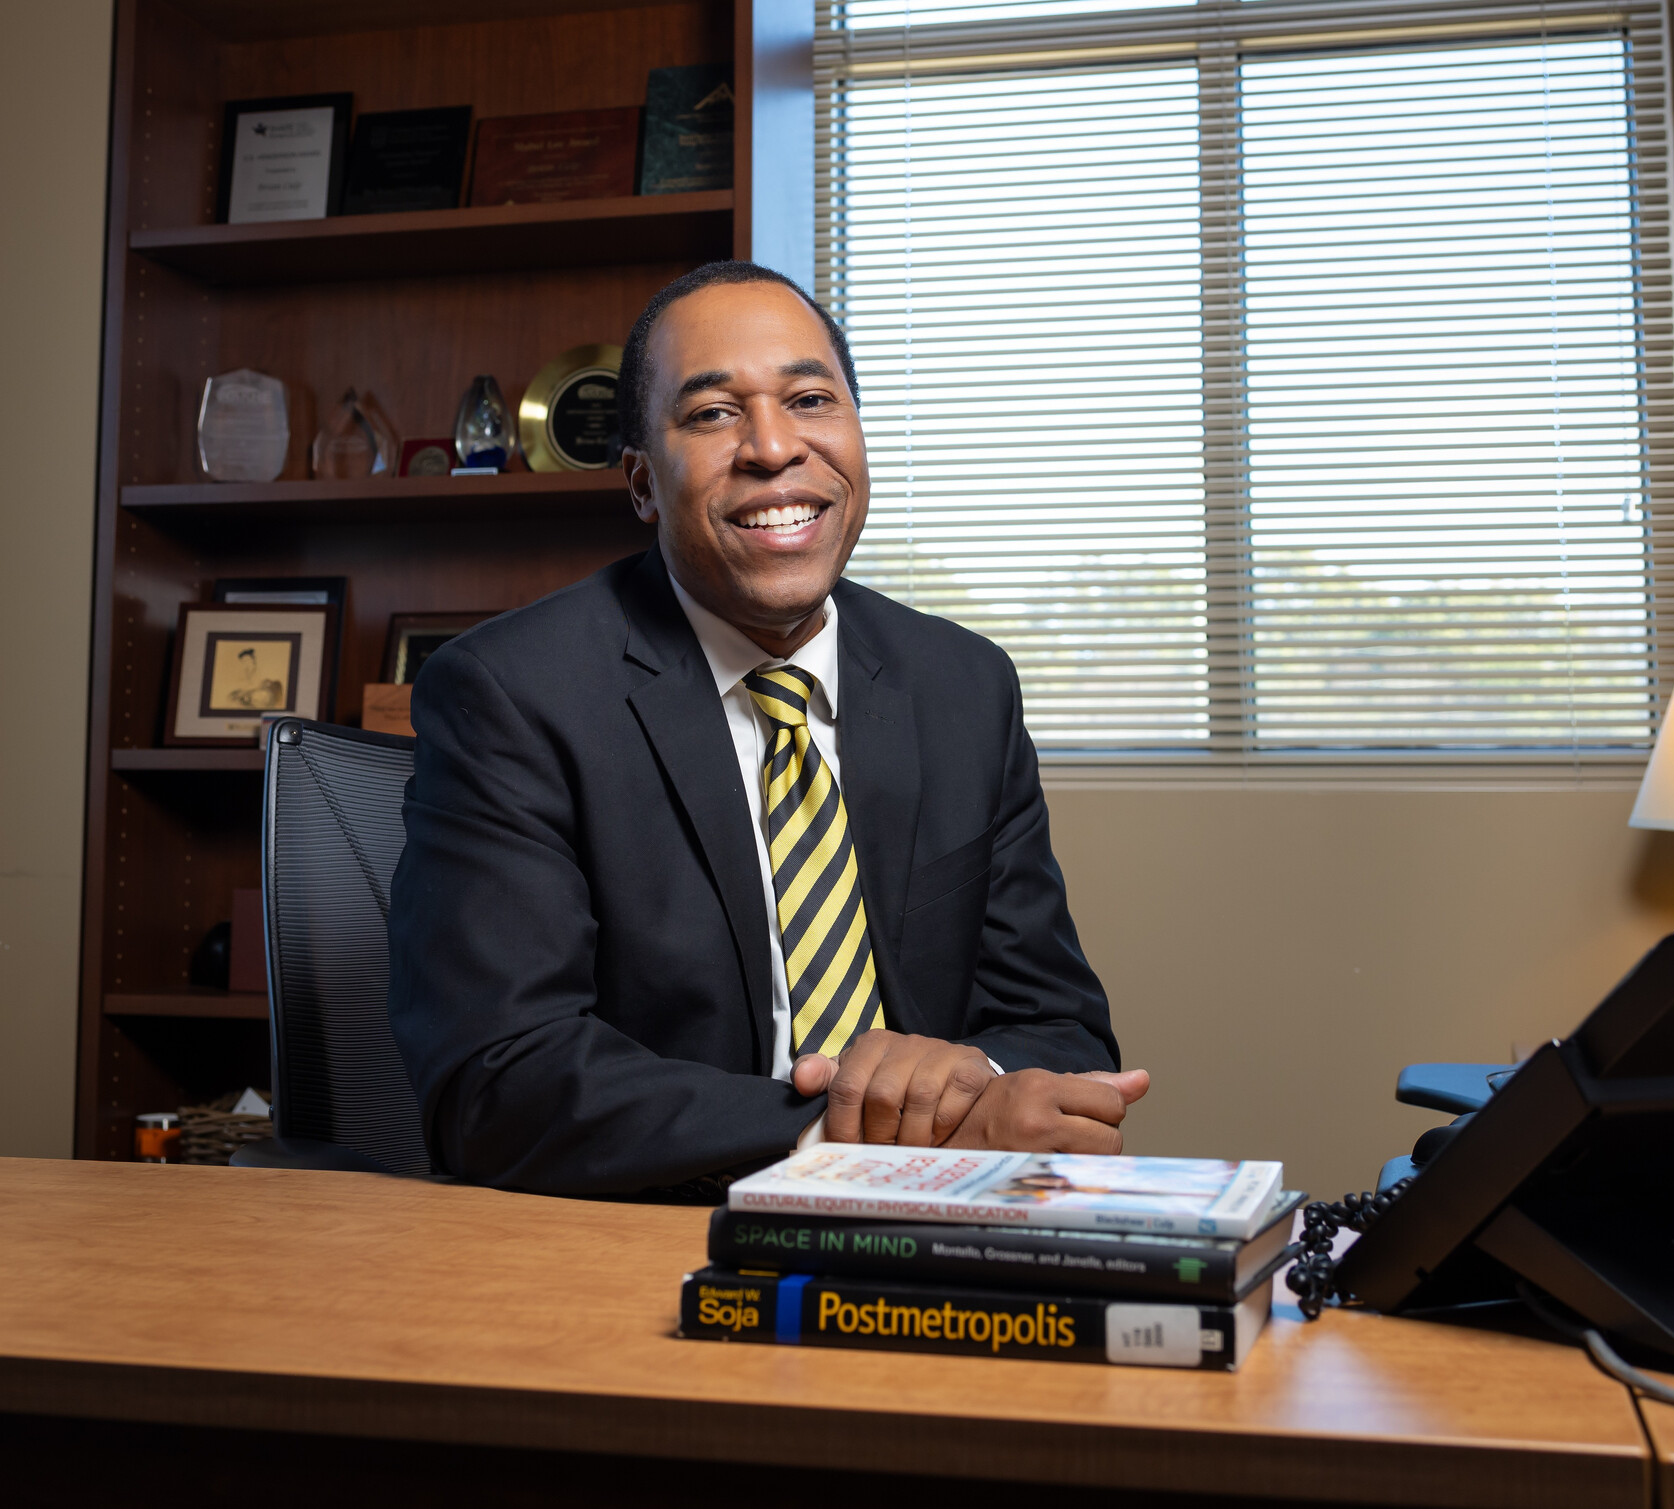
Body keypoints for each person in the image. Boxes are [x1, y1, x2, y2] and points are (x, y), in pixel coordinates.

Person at [388, 261, 1146, 1195]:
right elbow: (496, 1083)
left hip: (948, 1216)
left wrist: (972, 1092)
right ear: (640, 482)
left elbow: (1057, 1024)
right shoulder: (510, 693)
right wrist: (855, 1134)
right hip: (649, 1231)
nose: (774, 447)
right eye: (712, 413)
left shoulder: (962, 686)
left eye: (811, 399)